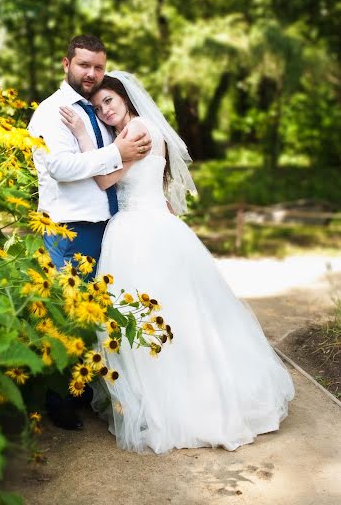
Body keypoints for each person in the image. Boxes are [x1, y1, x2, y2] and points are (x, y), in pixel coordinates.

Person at [60, 71, 295, 453]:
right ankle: (176, 395)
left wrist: (84, 137)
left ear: (125, 98)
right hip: (154, 223)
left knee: (151, 315)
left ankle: (171, 406)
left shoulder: (134, 132)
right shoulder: (144, 126)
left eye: (109, 102)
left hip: (139, 230)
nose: (104, 110)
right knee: (172, 312)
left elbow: (105, 181)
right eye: (99, 106)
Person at [28, 37, 151, 430]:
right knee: (65, 314)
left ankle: (82, 391)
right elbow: (62, 167)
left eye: (98, 67)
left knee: (93, 314)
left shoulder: (96, 111)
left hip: (107, 227)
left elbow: (103, 169)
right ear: (66, 63)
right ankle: (57, 400)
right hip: (69, 227)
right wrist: (120, 154)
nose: (91, 74)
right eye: (84, 65)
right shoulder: (53, 112)